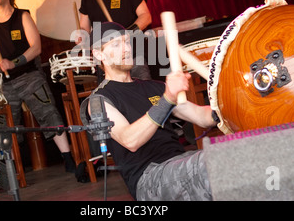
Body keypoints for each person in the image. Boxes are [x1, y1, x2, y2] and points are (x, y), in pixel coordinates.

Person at [84, 22, 218, 200]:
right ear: (99, 54)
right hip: (149, 179)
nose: (126, 49)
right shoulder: (99, 99)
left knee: (232, 156)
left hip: (181, 162)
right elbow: (130, 140)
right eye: (116, 44)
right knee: (212, 165)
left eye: (127, 42)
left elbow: (201, 117)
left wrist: (225, 105)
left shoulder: (154, 87)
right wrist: (168, 98)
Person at [0, 0, 75, 173]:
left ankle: (69, 159)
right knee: (6, 126)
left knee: (49, 114)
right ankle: (11, 171)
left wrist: (13, 63)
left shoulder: (22, 16)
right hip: (7, 83)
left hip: (29, 76)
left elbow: (36, 48)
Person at [77, 0, 152, 80]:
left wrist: (125, 34)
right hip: (106, 61)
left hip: (132, 55)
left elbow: (145, 16)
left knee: (143, 95)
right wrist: (81, 35)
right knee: (113, 98)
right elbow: (84, 27)